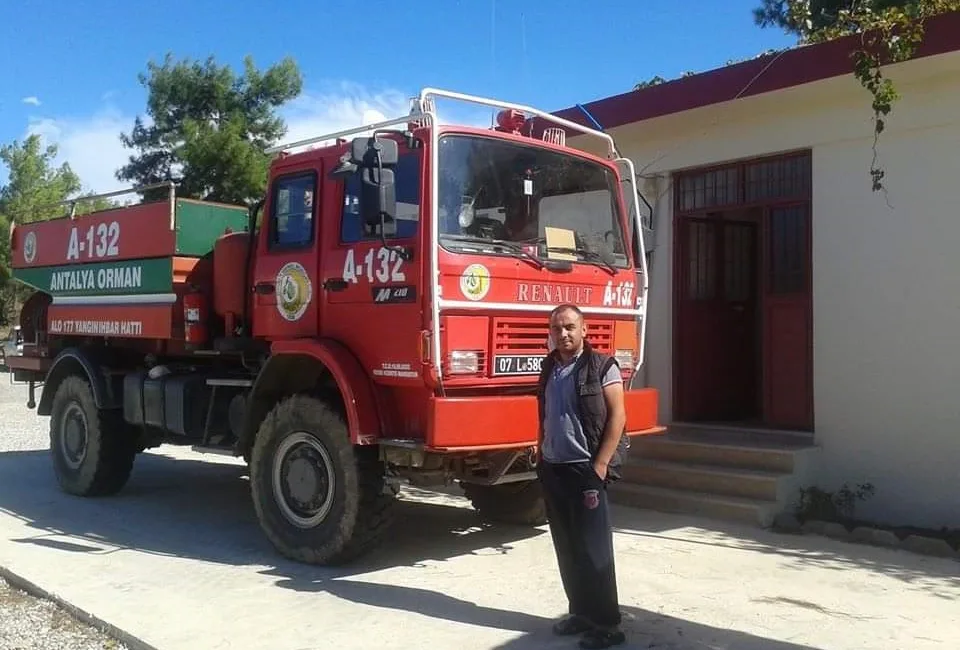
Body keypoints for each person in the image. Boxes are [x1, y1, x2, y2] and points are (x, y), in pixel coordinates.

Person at [535, 303, 628, 649]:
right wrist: (540, 448)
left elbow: (618, 416)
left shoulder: (602, 366)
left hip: (585, 468)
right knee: (568, 547)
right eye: (557, 328)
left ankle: (607, 624)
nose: (564, 334)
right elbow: (544, 412)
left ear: (585, 329)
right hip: (554, 468)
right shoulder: (549, 368)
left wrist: (601, 464)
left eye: (570, 327)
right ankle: (581, 613)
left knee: (594, 550)